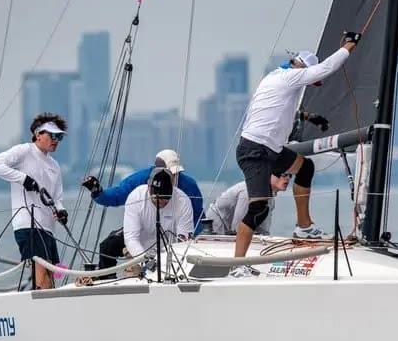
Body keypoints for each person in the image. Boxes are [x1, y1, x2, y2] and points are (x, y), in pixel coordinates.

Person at [233, 33, 360, 274]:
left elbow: (282, 110)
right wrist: (348, 47)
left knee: (305, 167)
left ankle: (304, 226)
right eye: (310, 80)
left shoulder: (278, 77)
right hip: (255, 150)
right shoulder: (290, 76)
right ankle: (237, 265)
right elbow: (325, 69)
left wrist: (311, 118)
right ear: (301, 67)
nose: (311, 83)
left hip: (271, 149)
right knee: (258, 209)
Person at [82, 149, 203, 272]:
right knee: (108, 245)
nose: (174, 178)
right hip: (143, 227)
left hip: (174, 230)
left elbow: (198, 216)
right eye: (171, 173)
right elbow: (119, 194)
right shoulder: (141, 182)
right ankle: (105, 278)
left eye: (176, 173)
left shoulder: (188, 187)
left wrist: (193, 238)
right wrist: (99, 194)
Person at [0, 113, 68, 290]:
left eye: (59, 137)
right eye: (52, 135)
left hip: (48, 227)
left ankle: (49, 308)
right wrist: (23, 179)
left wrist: (61, 210)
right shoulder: (24, 151)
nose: (56, 140)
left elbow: (57, 197)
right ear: (38, 134)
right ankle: (44, 310)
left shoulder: (55, 165)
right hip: (27, 224)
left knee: (51, 274)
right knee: (42, 271)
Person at [122, 168, 194, 260]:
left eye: (165, 198)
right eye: (156, 197)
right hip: (140, 253)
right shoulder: (136, 197)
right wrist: (145, 261)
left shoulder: (183, 201)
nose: (160, 201)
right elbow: (131, 238)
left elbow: (184, 241)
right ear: (148, 187)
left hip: (171, 257)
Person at [208, 174, 290, 236]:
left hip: (230, 224)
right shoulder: (249, 192)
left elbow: (264, 230)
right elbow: (237, 228)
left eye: (290, 175)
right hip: (217, 221)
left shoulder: (270, 198)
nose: (288, 178)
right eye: (284, 175)